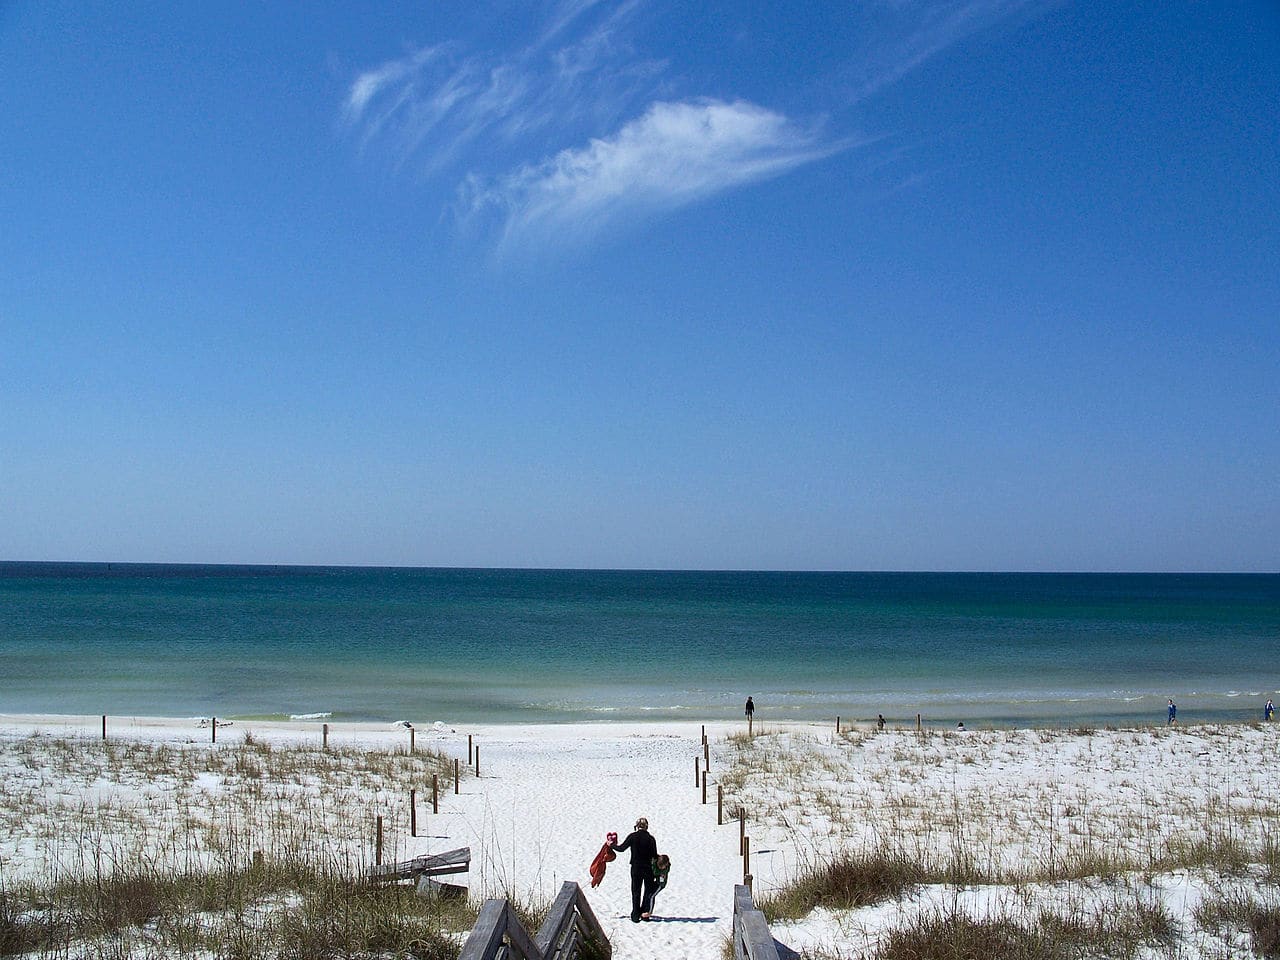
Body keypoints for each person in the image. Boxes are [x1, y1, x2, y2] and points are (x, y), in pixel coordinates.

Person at [611, 817, 658, 922]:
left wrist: (612, 845)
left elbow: (621, 848)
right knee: (647, 891)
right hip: (648, 868)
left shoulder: (633, 836)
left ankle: (635, 915)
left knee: (636, 891)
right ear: (646, 827)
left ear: (637, 826)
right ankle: (645, 914)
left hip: (636, 867)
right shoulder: (651, 839)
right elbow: (654, 856)